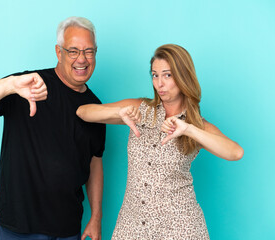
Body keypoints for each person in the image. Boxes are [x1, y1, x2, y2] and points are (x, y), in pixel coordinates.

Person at [76, 44, 244, 239]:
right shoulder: (140, 109)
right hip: (132, 226)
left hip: (180, 228)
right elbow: (83, 112)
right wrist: (118, 113)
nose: (159, 83)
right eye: (155, 75)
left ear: (183, 76)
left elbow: (235, 152)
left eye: (167, 75)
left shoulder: (197, 126)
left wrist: (189, 129)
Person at [0, 16, 106, 240]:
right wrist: (9, 85)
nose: (82, 59)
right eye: (73, 51)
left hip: (67, 227)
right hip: (19, 226)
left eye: (89, 51)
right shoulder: (28, 85)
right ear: (59, 53)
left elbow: (95, 162)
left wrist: (96, 217)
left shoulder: (95, 107)